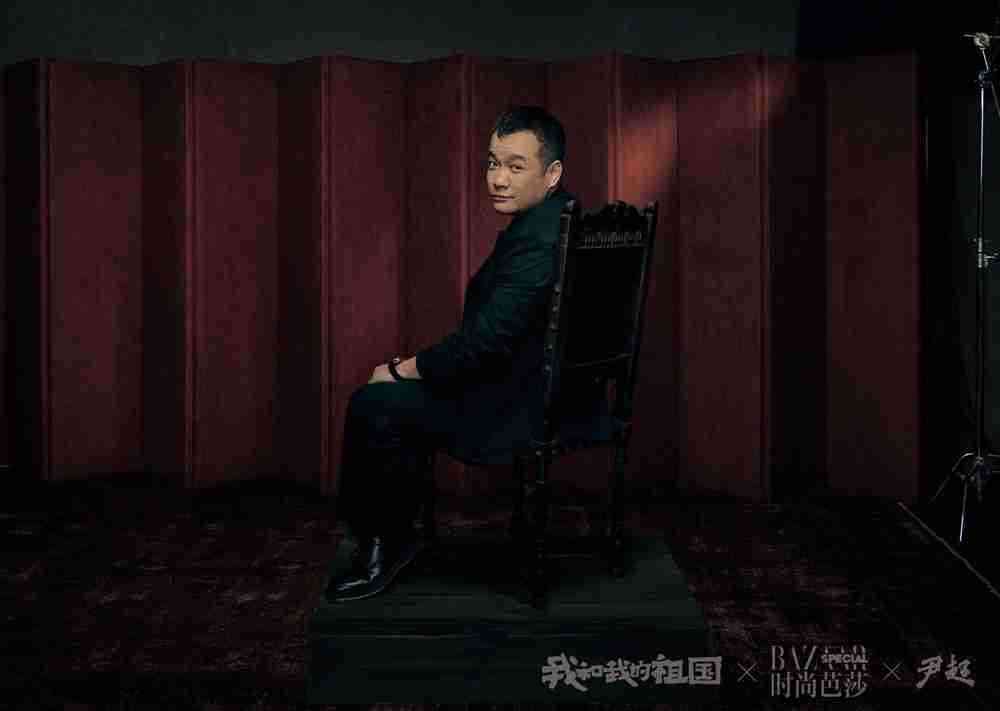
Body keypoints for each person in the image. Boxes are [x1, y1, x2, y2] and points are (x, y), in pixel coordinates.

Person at [325, 105, 607, 603]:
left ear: (552, 173)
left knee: (373, 403)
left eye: (515, 166)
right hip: (553, 389)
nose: (497, 179)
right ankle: (396, 532)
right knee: (401, 395)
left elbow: (486, 343)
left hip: (521, 406)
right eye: (493, 163)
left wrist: (402, 369)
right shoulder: (562, 217)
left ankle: (382, 546)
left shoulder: (541, 239)